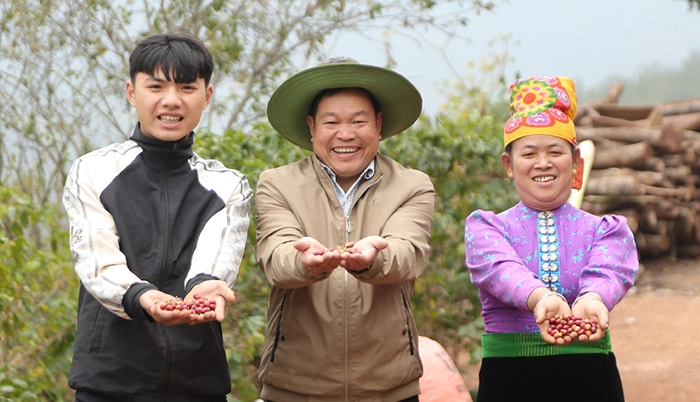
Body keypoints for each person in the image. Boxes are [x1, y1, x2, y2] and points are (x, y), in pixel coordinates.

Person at [62, 32, 252, 401]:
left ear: (207, 96)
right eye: (156, 86)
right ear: (132, 92)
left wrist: (205, 286)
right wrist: (144, 297)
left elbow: (215, 260)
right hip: (108, 382)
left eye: (186, 87)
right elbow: (97, 261)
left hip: (199, 383)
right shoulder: (93, 171)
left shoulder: (228, 186)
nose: (171, 101)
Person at [255, 56, 435, 402]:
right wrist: (303, 262)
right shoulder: (277, 184)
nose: (346, 134)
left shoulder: (412, 186)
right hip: (294, 387)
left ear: (379, 124)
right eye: (331, 122)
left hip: (389, 389)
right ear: (311, 126)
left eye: (359, 121)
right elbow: (276, 257)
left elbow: (406, 253)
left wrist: (372, 260)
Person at [464, 76, 639, 402]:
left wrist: (593, 300)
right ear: (508, 164)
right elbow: (499, 268)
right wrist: (540, 297)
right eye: (529, 153)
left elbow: (610, 270)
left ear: (575, 163)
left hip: (589, 374)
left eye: (555, 152)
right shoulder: (486, 229)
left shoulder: (606, 230)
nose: (542, 163)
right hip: (510, 377)